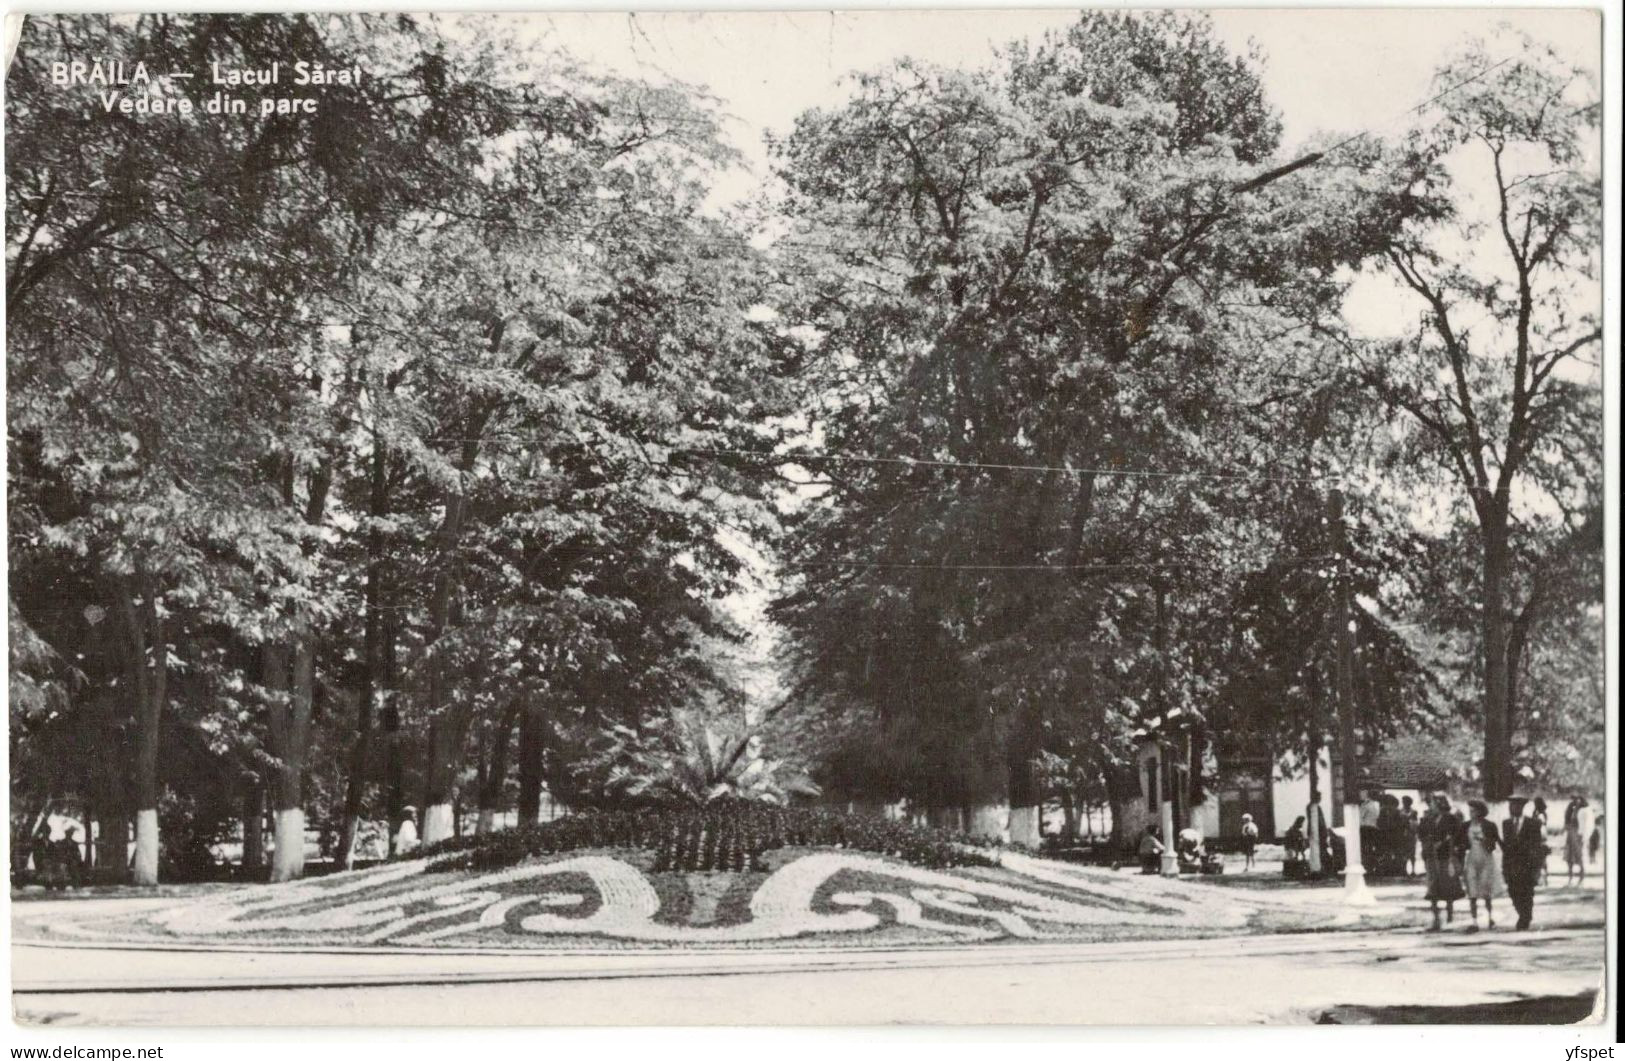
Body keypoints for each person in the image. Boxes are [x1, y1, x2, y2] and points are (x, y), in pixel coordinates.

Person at [1420, 794, 1465, 930]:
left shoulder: (1451, 818)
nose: (1431, 806)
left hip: (1445, 856)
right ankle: (1436, 918)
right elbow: (1421, 834)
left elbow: (1457, 835)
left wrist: (1445, 842)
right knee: (1432, 887)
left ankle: (1450, 917)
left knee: (1448, 887)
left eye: (1433, 803)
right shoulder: (1428, 819)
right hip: (1431, 856)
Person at [1502, 795, 1545, 931]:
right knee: (1513, 892)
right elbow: (1507, 846)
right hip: (1511, 865)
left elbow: (1537, 845)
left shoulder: (1533, 823)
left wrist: (1537, 865)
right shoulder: (1506, 824)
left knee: (1527, 892)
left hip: (1527, 864)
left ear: (1521, 807)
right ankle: (1523, 914)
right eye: (1510, 806)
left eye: (1514, 806)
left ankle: (1525, 917)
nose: (1511, 808)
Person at [1461, 799, 1502, 930]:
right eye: (1470, 810)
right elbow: (1460, 843)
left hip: (1486, 859)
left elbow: (1494, 845)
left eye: (1473, 810)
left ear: (1480, 812)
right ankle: (1474, 921)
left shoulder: (1489, 825)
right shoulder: (1465, 826)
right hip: (1472, 858)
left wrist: (1484, 840)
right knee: (1472, 890)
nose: (1471, 813)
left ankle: (1490, 917)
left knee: (1486, 889)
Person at [1562, 796, 1589, 884]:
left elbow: (1586, 825)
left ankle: (1581, 877)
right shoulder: (1570, 809)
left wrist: (1583, 836)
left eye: (1578, 799)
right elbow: (1566, 823)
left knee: (1579, 856)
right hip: (1570, 836)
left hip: (1578, 836)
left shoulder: (1583, 811)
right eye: (1574, 799)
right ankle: (1570, 877)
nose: (1576, 801)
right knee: (1569, 857)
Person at [1531, 797, 1552, 885]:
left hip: (1539, 838)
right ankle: (1544, 878)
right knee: (1542, 859)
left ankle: (1541, 878)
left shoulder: (1539, 814)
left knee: (1540, 859)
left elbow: (1540, 827)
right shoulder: (1542, 814)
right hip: (1542, 838)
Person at [1401, 795, 1421, 877]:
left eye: (1406, 802)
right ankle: (1404, 870)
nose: (1405, 804)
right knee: (1404, 853)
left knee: (1412, 853)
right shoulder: (1401, 812)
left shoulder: (1413, 812)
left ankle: (1413, 870)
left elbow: (1415, 824)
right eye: (1404, 802)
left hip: (1411, 834)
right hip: (1403, 834)